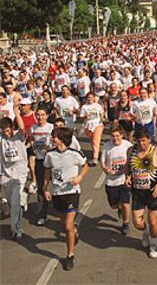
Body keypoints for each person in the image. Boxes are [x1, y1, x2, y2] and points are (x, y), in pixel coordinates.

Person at [43, 127, 89, 271]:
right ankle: (74, 233)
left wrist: (79, 177)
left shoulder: (74, 154)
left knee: (68, 225)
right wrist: (45, 189)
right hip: (57, 193)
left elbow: (85, 166)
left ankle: (70, 255)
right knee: (64, 224)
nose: (52, 138)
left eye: (54, 136)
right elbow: (47, 171)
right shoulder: (49, 155)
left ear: (62, 139)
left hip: (72, 192)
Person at [124, 129, 157, 258]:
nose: (141, 144)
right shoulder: (131, 151)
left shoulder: (156, 152)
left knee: (152, 221)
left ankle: (153, 245)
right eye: (138, 141)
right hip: (137, 192)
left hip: (152, 192)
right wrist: (127, 177)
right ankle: (145, 232)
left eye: (143, 141)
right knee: (137, 223)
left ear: (149, 139)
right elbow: (127, 166)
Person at [0, 101, 28, 239]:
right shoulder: (1, 139)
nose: (6, 133)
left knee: (15, 203)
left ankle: (16, 229)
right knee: (12, 203)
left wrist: (16, 111)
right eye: (3, 131)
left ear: (12, 128)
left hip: (19, 174)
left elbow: (22, 128)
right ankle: (23, 198)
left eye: (8, 130)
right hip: (5, 175)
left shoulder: (19, 136)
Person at [100, 125, 133, 235]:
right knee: (113, 205)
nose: (115, 138)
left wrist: (126, 171)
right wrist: (105, 169)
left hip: (124, 179)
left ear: (122, 135)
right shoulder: (106, 147)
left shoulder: (128, 146)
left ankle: (126, 223)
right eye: (113, 136)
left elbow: (132, 160)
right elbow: (102, 162)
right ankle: (118, 208)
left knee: (125, 203)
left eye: (117, 136)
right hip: (111, 181)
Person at [29, 107, 54, 226]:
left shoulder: (51, 127)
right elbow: (30, 141)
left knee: (59, 185)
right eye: (38, 115)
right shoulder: (33, 128)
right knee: (41, 188)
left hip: (53, 162)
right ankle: (42, 215)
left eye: (43, 115)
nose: (40, 117)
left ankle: (63, 210)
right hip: (40, 161)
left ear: (47, 116)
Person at [79, 92, 104, 166]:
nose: (90, 99)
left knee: (95, 140)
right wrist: (85, 116)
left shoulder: (97, 106)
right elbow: (81, 116)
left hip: (98, 124)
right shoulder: (84, 107)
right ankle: (95, 152)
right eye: (88, 97)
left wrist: (102, 118)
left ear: (94, 98)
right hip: (88, 126)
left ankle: (95, 158)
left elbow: (101, 113)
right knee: (92, 141)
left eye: (91, 97)